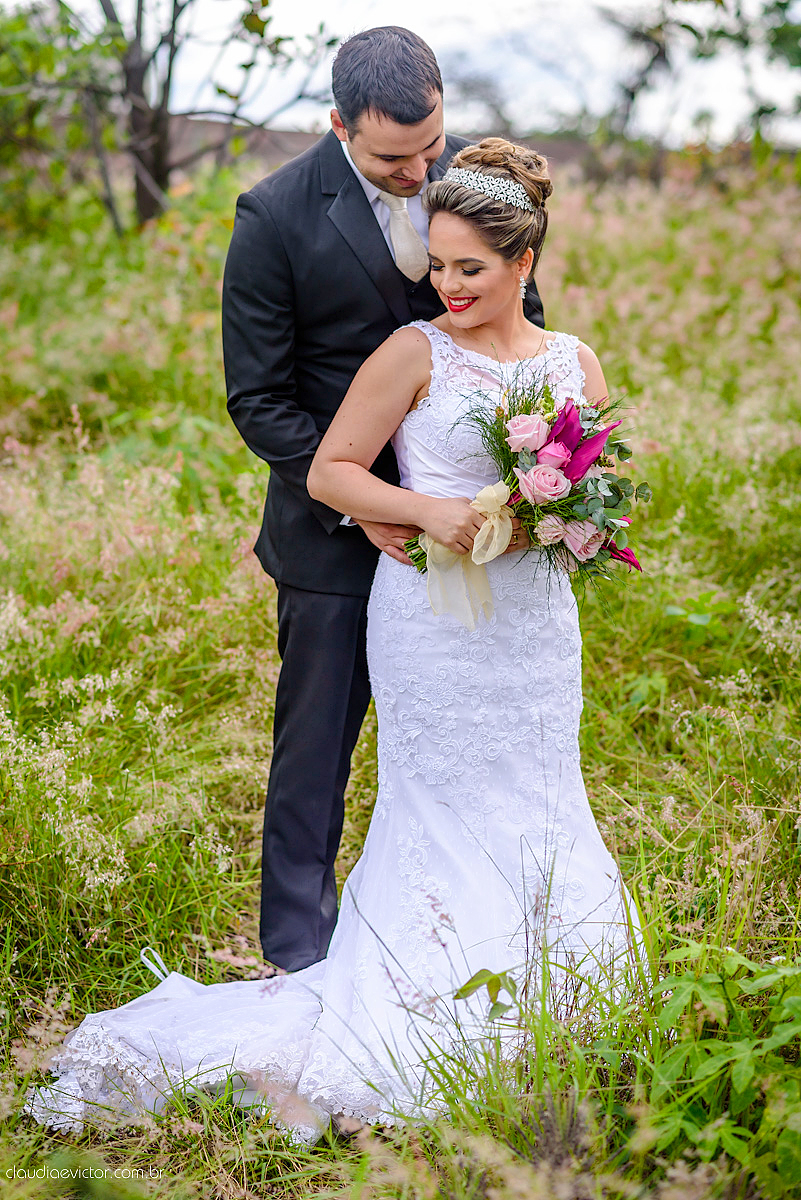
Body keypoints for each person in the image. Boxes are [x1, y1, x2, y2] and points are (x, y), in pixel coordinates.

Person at [23, 138, 640, 1145]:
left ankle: (555, 1002)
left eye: (468, 269)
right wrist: (429, 511)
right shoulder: (413, 351)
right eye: (435, 265)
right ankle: (423, 1001)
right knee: (438, 802)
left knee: (540, 791)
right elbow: (333, 472)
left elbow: (599, 490)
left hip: (533, 628)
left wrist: (572, 518)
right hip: (433, 621)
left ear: (524, 262)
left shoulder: (574, 359)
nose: (445, 285)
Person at [222, 26, 545, 973]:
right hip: (330, 534)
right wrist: (363, 502)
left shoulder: (471, 183)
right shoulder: (274, 215)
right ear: (337, 127)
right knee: (316, 750)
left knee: (465, 743)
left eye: (430, 143)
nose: (418, 169)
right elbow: (257, 396)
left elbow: (515, 329)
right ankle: (298, 958)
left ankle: (464, 939)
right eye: (392, 158)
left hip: (473, 531)